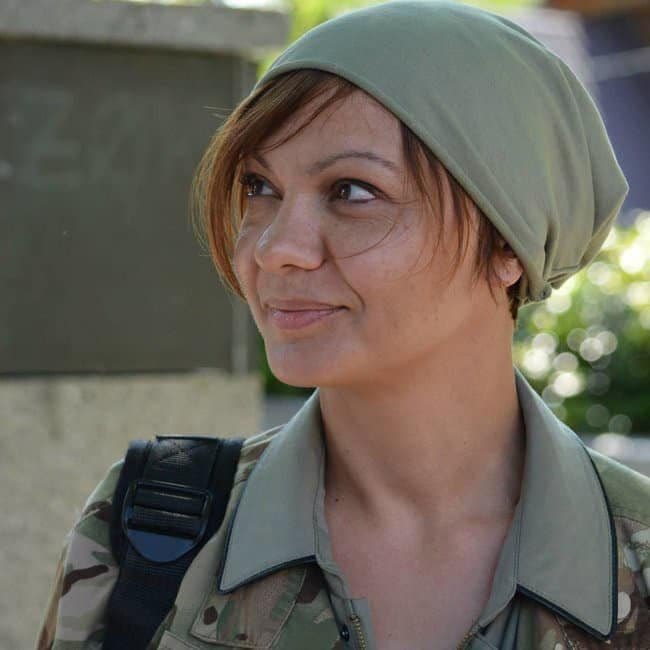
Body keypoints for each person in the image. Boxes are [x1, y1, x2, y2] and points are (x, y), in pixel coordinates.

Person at [38, 1, 650, 649]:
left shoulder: (636, 562)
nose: (275, 247)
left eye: (352, 191)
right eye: (259, 187)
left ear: (508, 242)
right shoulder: (151, 531)